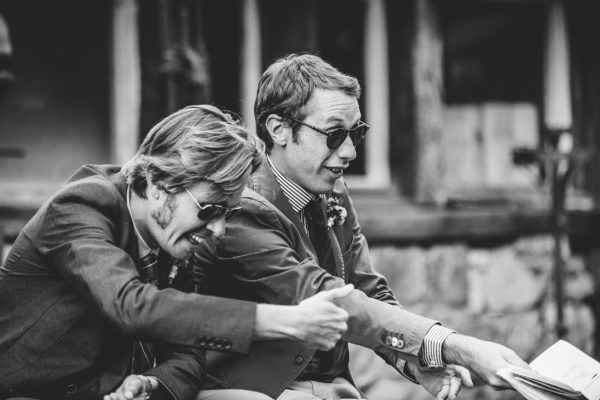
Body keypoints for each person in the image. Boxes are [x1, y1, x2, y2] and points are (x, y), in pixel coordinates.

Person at [193, 54, 530, 400]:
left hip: (333, 387)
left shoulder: (333, 190)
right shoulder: (242, 206)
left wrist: (412, 359)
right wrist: (459, 347)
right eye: (335, 133)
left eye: (357, 132)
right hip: (257, 390)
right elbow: (328, 298)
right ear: (279, 129)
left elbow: (368, 290)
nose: (351, 151)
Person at [0, 104, 353, 400]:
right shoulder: (80, 207)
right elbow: (131, 304)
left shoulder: (170, 234)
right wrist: (285, 320)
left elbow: (188, 353)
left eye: (227, 214)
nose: (217, 229)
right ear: (157, 184)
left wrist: (154, 384)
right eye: (211, 209)